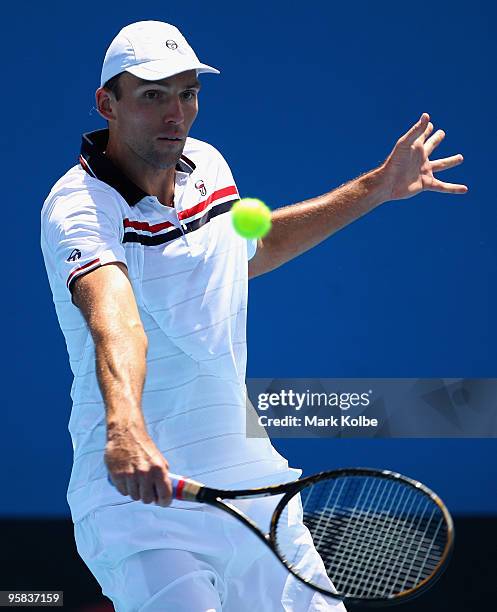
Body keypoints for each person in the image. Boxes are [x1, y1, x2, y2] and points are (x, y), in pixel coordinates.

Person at [40, 20, 467, 612]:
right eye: (153, 95)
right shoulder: (77, 207)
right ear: (107, 103)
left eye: (188, 93)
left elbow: (251, 251)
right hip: (138, 503)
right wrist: (125, 427)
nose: (176, 114)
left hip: (252, 483)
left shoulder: (208, 166)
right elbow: (116, 319)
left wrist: (375, 187)